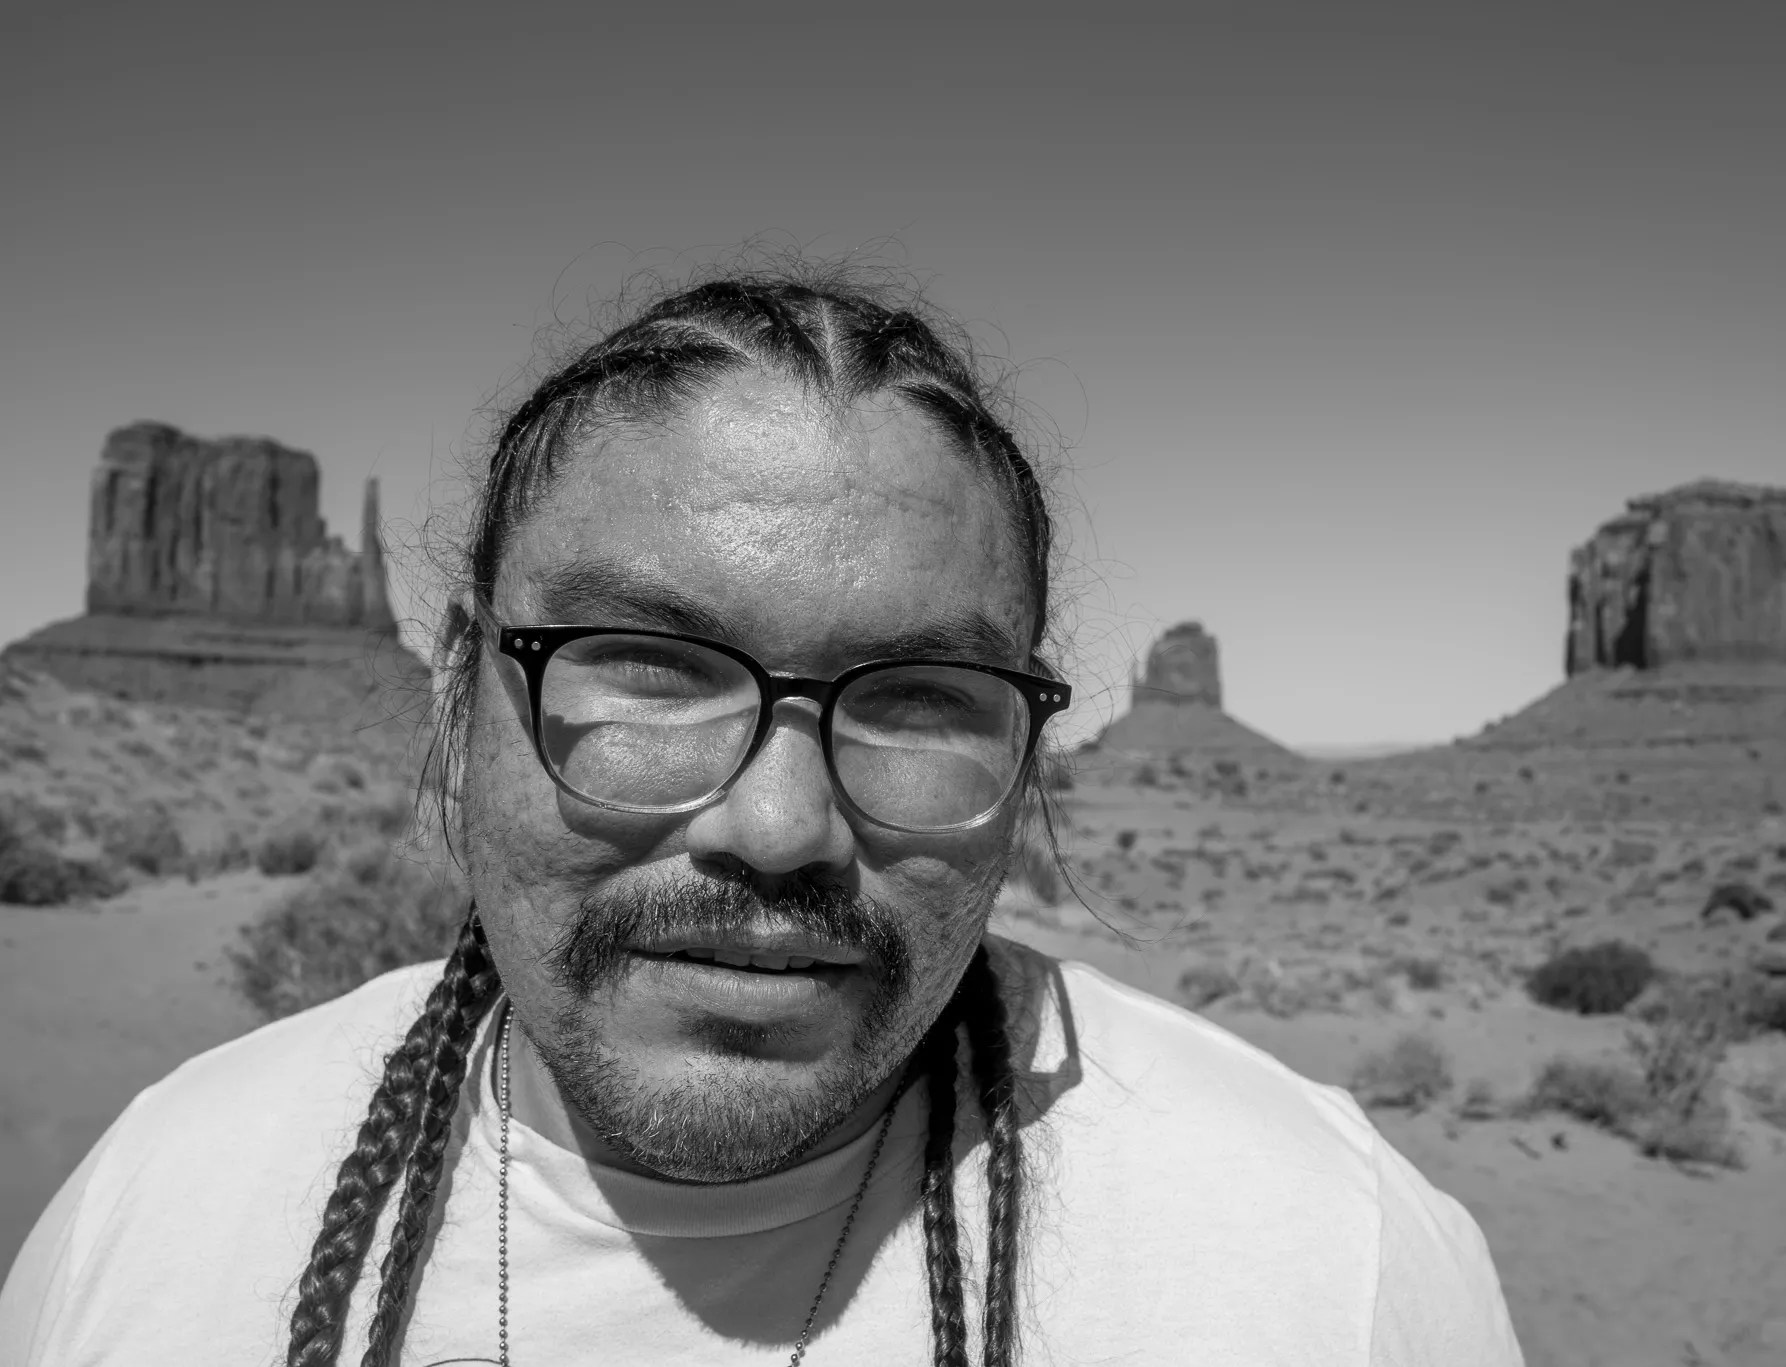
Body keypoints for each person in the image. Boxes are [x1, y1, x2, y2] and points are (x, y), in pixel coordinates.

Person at [0, 268, 1525, 1366]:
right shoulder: (159, 1203)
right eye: (651, 668)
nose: (782, 824)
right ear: (458, 691)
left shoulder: (1333, 1268)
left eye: (922, 696)